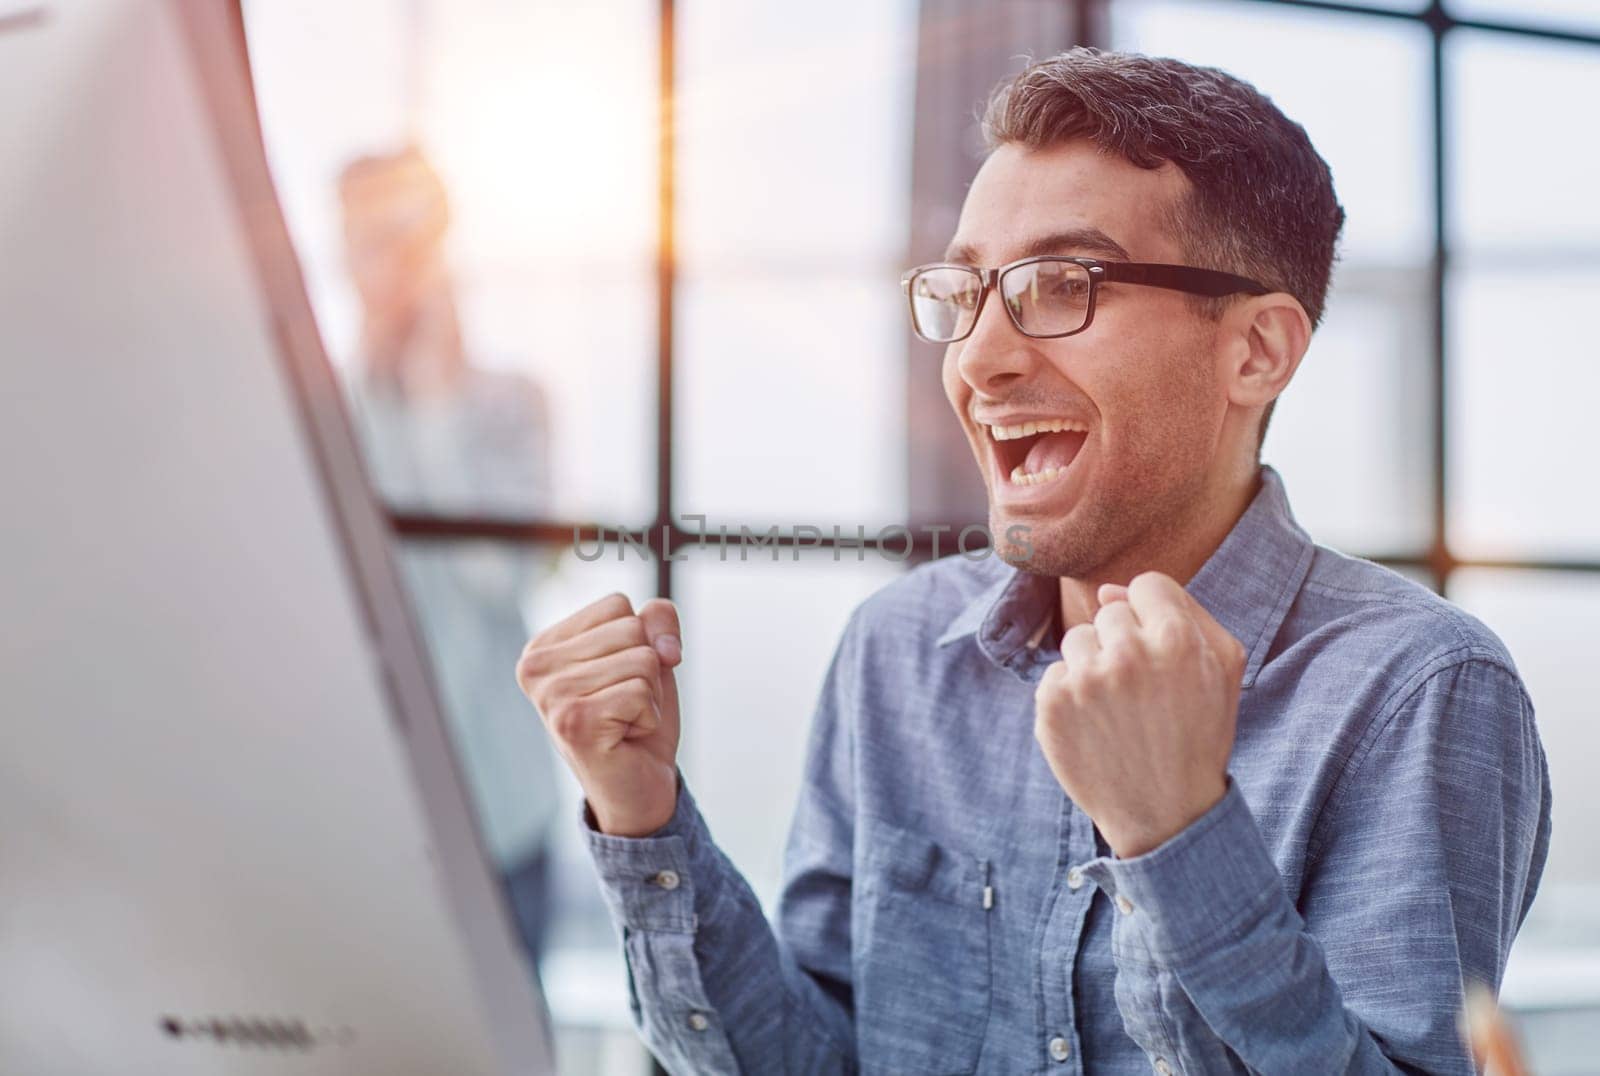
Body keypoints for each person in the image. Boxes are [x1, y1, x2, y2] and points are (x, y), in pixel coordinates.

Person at [514, 49, 1551, 1074]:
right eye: (963, 291)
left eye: (1062, 283)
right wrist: (642, 812)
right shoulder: (898, 651)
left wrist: (1176, 839)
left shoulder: (1417, 690)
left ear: (1256, 350)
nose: (978, 358)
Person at [338, 147, 562, 973]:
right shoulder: (330, 413)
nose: (379, 265)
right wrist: (369, 381)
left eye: (398, 236)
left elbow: (500, 577)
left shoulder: (513, 402)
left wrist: (437, 406)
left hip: (500, 813)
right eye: (359, 241)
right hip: (371, 821)